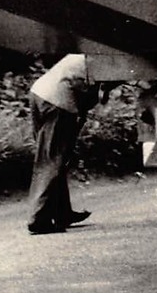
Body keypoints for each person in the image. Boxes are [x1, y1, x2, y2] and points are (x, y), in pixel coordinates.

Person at [25, 54, 101, 235]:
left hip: (39, 93)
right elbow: (93, 96)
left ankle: (61, 212)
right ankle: (38, 218)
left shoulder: (84, 54)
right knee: (52, 160)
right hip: (59, 101)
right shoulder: (105, 60)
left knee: (52, 157)